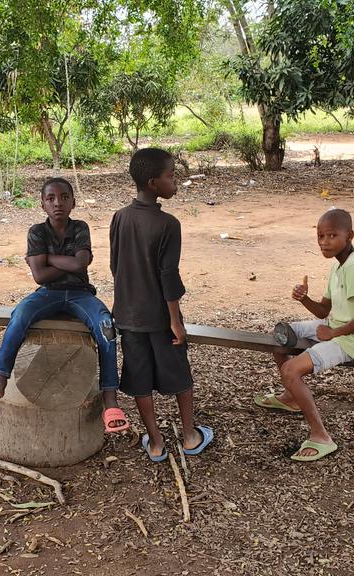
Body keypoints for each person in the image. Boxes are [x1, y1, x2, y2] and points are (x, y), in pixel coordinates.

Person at [0, 177, 128, 433]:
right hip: (48, 293)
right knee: (19, 316)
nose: (58, 203)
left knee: (106, 327)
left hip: (80, 294)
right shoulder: (37, 232)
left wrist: (47, 258)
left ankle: (110, 401)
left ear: (73, 202)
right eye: (50, 198)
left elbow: (79, 264)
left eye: (64, 197)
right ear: (42, 204)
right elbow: (41, 277)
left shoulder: (80, 227)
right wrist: (68, 261)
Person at [110, 148, 213, 462]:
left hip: (128, 317)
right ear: (153, 183)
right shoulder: (168, 224)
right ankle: (190, 436)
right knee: (179, 373)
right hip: (159, 317)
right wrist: (175, 321)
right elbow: (168, 275)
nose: (176, 180)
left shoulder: (119, 217)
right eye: (171, 175)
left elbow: (115, 266)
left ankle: (155, 443)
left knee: (139, 379)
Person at [259, 209, 354, 462]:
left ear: (349, 236)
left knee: (291, 370)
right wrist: (304, 298)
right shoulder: (339, 266)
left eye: (332, 235)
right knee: (281, 335)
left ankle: (321, 436)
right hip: (337, 326)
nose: (324, 242)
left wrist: (332, 333)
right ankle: (292, 398)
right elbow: (323, 311)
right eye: (320, 236)